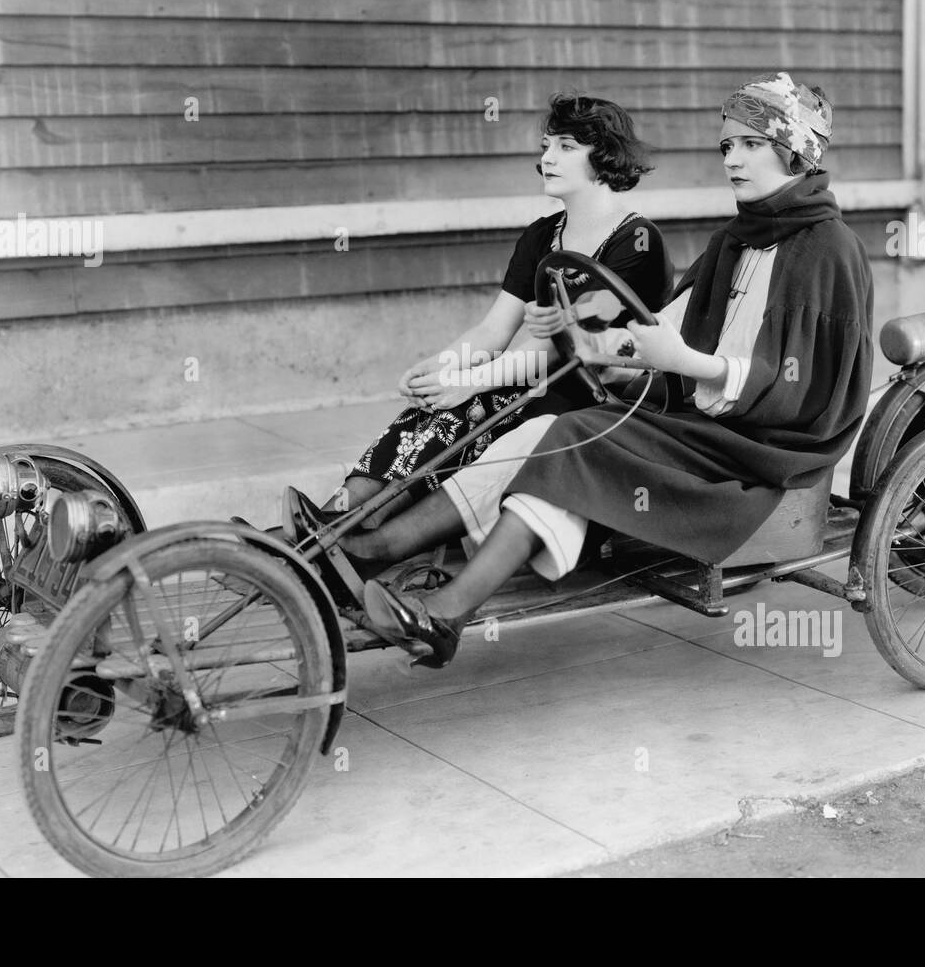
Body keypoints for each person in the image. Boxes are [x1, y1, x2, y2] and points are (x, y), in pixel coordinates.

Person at [332, 72, 874, 668]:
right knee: (549, 433)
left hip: (762, 446)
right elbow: (661, 323)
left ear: (796, 151)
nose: (732, 160)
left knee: (575, 434)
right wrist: (607, 347)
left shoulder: (829, 249)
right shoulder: (737, 239)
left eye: (750, 144)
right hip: (702, 420)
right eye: (727, 146)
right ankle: (382, 556)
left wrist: (684, 363)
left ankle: (426, 593)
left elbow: (807, 391)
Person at [313, 93, 672, 527]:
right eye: (547, 145)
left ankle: (357, 532)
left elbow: (561, 346)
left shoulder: (637, 242)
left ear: (606, 157)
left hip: (605, 397)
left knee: (472, 403)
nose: (549, 157)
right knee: (434, 407)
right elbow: (493, 331)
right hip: (544, 379)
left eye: (566, 146)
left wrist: (467, 382)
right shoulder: (542, 235)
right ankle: (335, 517)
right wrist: (440, 368)